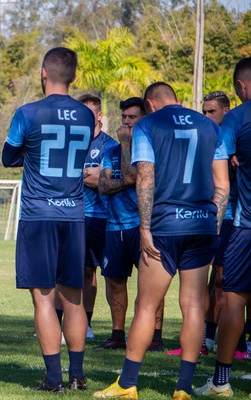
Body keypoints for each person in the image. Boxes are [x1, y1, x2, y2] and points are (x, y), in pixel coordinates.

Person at [94, 82, 229, 399]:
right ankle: (182, 389)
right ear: (177, 101)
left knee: (146, 306)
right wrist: (214, 223)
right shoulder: (210, 127)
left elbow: (145, 177)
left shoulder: (148, 125)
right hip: (203, 225)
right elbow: (222, 186)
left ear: (151, 104)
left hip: (165, 226)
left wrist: (144, 228)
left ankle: (127, 385)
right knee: (194, 306)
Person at [2, 47, 95, 393]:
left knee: (43, 298)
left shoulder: (28, 112)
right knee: (73, 298)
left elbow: (9, 156)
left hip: (39, 213)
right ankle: (77, 375)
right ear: (73, 76)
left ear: (44, 72)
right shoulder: (86, 116)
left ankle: (53, 378)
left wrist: (30, 148)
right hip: (74, 213)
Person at [194, 57, 251, 397]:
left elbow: (221, 181)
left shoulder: (236, 118)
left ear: (241, 86)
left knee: (232, 299)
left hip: (245, 226)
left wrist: (212, 226)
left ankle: (221, 382)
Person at [167, 90, 234, 357]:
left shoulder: (229, 136)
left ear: (225, 112)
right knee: (208, 284)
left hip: (229, 219)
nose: (206, 116)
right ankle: (204, 340)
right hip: (203, 219)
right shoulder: (205, 137)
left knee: (223, 281)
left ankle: (234, 342)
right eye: (204, 111)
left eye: (211, 112)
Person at [95, 97, 144, 349]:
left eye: (132, 117)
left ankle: (153, 336)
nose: (126, 122)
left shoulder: (147, 149)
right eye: (124, 117)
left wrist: (126, 143)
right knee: (115, 282)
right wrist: (127, 182)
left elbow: (131, 174)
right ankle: (117, 335)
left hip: (141, 225)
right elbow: (103, 186)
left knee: (148, 284)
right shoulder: (109, 151)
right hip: (114, 226)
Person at [78, 93, 116, 340]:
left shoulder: (110, 145)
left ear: (99, 116)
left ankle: (110, 330)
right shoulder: (74, 141)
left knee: (107, 275)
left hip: (103, 217)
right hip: (76, 215)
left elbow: (104, 179)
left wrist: (85, 175)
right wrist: (90, 174)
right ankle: (79, 323)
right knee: (78, 271)